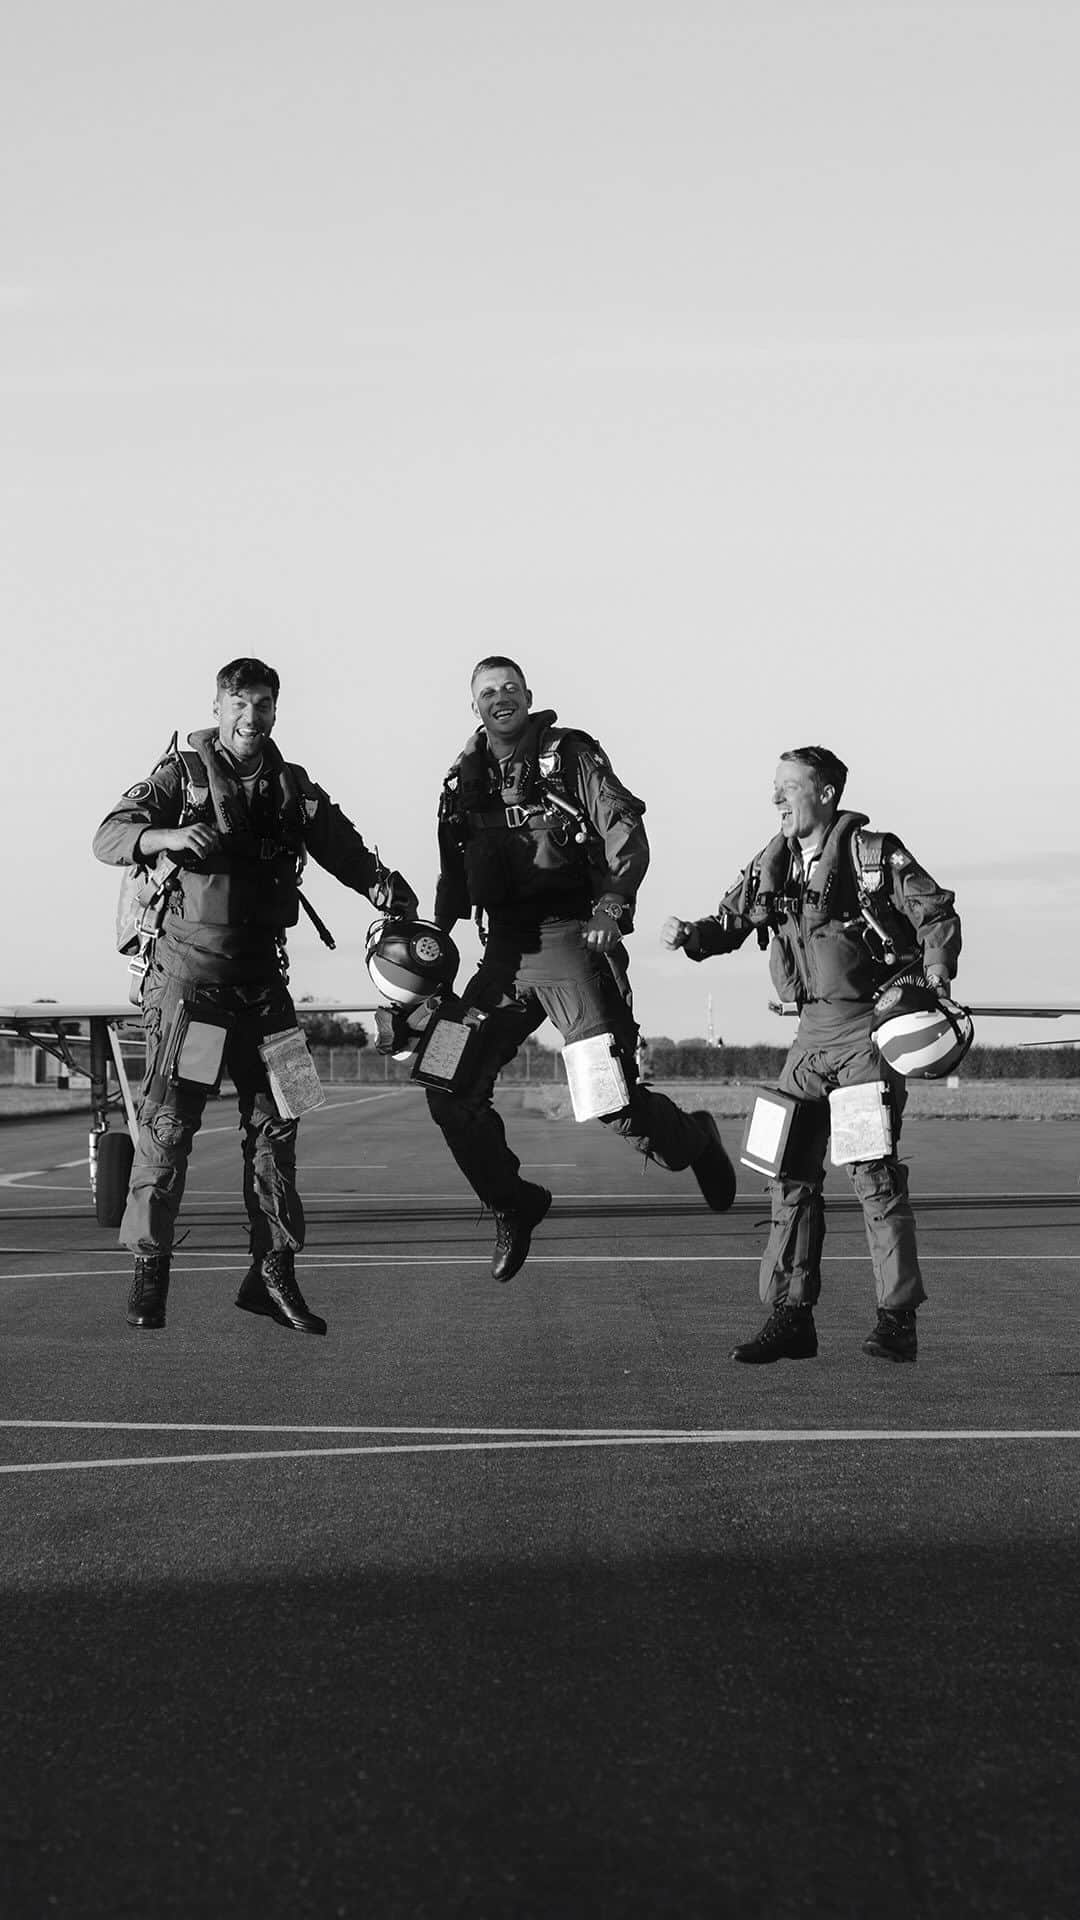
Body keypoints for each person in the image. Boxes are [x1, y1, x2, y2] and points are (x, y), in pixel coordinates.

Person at [93, 657, 417, 1334]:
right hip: (196, 992)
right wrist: (169, 835)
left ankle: (272, 1273)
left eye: (263, 704)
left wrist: (381, 885)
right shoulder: (178, 779)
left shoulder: (292, 790)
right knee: (171, 1129)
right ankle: (150, 1271)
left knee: (281, 1125)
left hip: (265, 991)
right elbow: (110, 836)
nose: (251, 716)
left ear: (276, 711)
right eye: (239, 704)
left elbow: (347, 851)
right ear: (217, 708)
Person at [425, 655, 736, 1282]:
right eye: (488, 692)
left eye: (510, 687)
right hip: (502, 956)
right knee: (444, 1080)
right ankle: (514, 1203)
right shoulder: (463, 779)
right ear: (475, 706)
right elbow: (453, 873)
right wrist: (430, 936)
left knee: (609, 1101)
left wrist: (613, 904)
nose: (501, 697)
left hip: (573, 942)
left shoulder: (570, 755)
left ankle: (693, 1139)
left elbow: (624, 827)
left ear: (529, 695)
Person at [661, 745, 961, 1364]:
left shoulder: (871, 855)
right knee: (788, 1176)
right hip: (807, 1042)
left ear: (825, 793)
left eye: (788, 788)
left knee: (873, 1178)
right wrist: (691, 936)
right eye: (775, 788)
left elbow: (934, 912)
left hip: (863, 1038)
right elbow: (730, 921)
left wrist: (935, 976)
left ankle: (896, 1321)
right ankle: (791, 1316)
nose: (776, 799)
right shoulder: (773, 864)